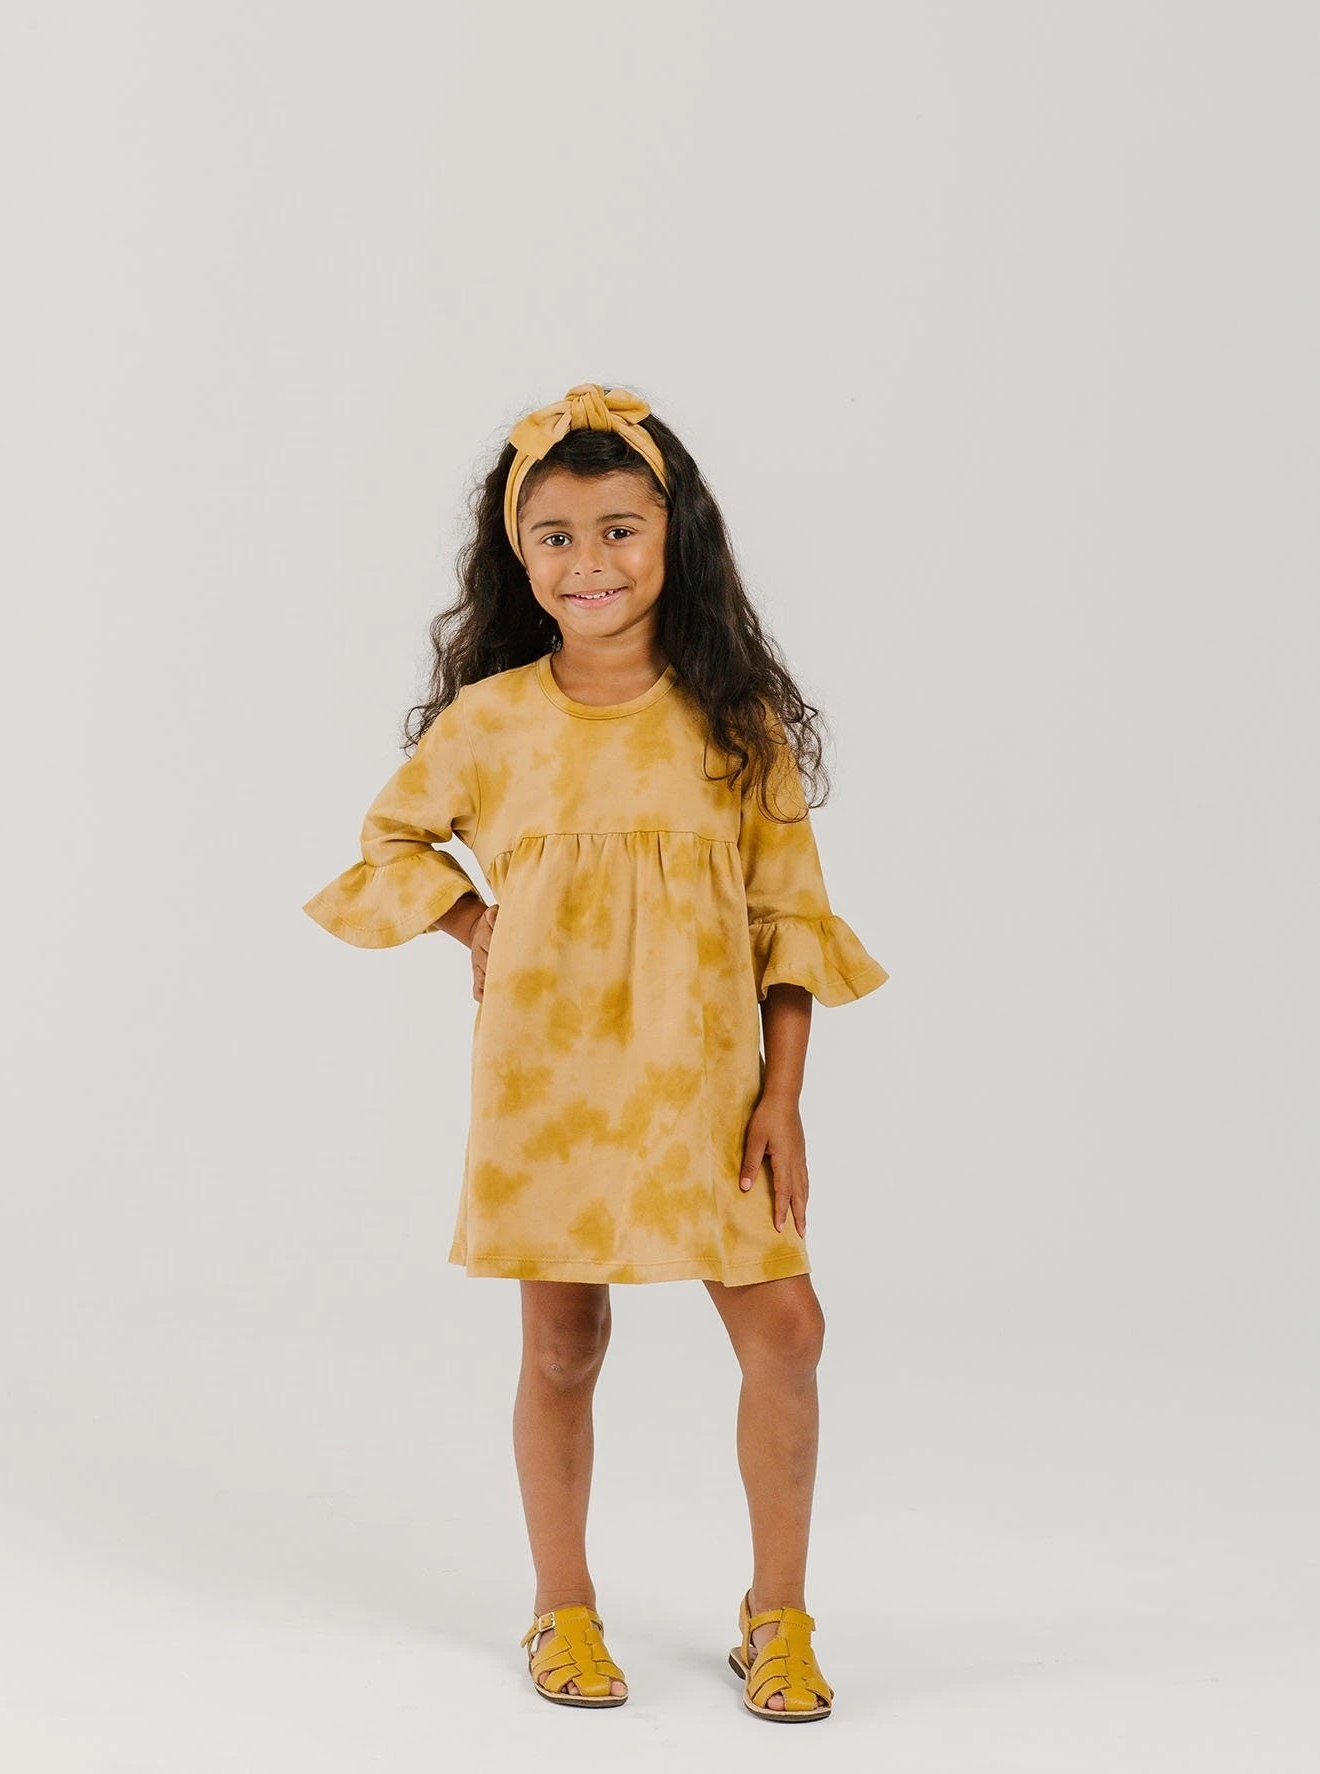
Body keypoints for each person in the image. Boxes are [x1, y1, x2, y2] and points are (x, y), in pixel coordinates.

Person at [302, 382, 889, 1720]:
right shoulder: (493, 722)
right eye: (556, 536)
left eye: (620, 529)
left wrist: (784, 1098)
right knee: (563, 1344)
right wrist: (473, 920)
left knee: (786, 1329)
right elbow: (388, 842)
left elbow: (790, 922)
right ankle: (560, 1606)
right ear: (519, 555)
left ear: (676, 538)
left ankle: (778, 1617)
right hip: (549, 1083)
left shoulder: (733, 723)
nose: (591, 563)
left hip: (708, 1084)